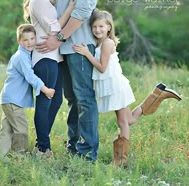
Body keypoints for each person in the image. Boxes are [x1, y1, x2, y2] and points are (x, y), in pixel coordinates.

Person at [73, 9, 182, 167]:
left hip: (115, 86)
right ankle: (158, 95)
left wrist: (86, 54)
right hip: (111, 86)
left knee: (124, 122)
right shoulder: (99, 42)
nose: (97, 30)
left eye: (101, 27)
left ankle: (120, 161)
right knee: (128, 120)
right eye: (95, 27)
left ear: (109, 27)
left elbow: (102, 68)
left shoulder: (107, 43)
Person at [36, 0, 99, 161]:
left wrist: (58, 37)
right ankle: (74, 147)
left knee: (84, 98)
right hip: (62, 49)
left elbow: (82, 11)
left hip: (78, 45)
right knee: (72, 99)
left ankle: (87, 152)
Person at [23, 0, 75, 158]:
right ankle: (44, 148)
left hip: (55, 58)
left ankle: (40, 145)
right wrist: (70, 9)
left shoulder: (48, 0)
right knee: (46, 102)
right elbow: (55, 29)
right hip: (44, 57)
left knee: (56, 101)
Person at [0, 24, 55, 158]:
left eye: (32, 38)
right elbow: (30, 76)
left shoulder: (25, 54)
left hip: (8, 98)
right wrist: (45, 89)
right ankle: (19, 156)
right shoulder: (22, 56)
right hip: (13, 100)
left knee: (7, 129)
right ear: (19, 41)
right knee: (21, 129)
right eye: (25, 40)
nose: (29, 42)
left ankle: (1, 156)